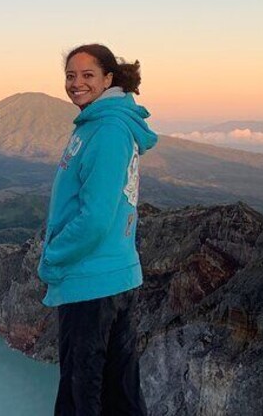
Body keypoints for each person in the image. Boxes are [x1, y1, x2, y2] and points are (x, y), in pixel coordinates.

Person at [38, 43, 158, 415]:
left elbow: (94, 218)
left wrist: (52, 260)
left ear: (108, 78)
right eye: (70, 76)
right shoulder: (100, 124)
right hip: (113, 276)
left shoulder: (107, 131)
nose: (76, 83)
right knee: (117, 392)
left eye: (87, 75)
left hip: (91, 280)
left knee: (82, 394)